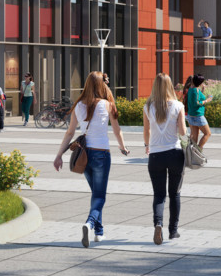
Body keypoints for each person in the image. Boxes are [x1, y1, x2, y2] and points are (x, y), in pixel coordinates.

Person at [51, 71, 130, 246]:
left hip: (84, 154)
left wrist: (59, 155)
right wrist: (123, 147)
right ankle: (89, 223)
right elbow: (117, 130)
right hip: (101, 153)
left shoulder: (78, 105)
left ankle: (99, 233)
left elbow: (70, 132)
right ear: (103, 85)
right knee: (100, 196)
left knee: (96, 193)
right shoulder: (108, 104)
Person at [142, 73, 187, 245]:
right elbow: (182, 132)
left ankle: (158, 223)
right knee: (174, 193)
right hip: (175, 153)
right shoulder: (178, 106)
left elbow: (146, 132)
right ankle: (173, 231)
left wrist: (147, 145)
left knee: (159, 195)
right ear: (170, 87)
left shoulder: (148, 107)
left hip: (155, 155)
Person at [184, 74, 212, 150]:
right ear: (199, 83)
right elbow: (197, 103)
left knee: (194, 137)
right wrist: (207, 100)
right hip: (198, 115)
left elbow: (195, 97)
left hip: (191, 115)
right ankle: (198, 150)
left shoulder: (191, 88)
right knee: (207, 133)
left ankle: (192, 153)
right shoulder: (195, 90)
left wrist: (202, 91)